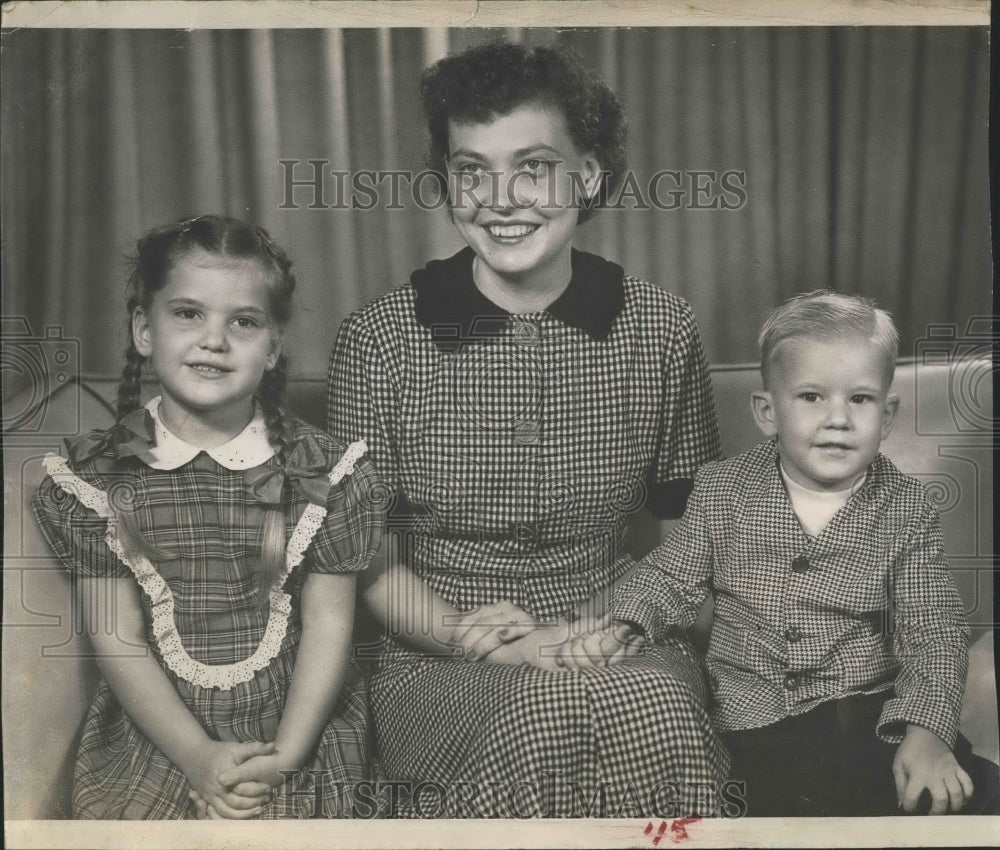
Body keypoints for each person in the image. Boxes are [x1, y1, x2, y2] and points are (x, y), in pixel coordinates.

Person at [327, 42, 728, 818]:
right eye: (471, 169)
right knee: (544, 712)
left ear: (588, 174)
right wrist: (489, 641)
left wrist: (608, 626)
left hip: (618, 628)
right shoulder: (377, 339)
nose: (500, 198)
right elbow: (366, 562)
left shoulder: (661, 328)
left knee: (642, 709)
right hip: (440, 650)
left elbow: (693, 537)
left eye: (534, 166)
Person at [569, 290, 1000, 816]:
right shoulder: (722, 489)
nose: (838, 419)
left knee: (964, 797)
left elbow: (932, 628)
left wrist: (927, 729)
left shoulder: (907, 508)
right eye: (812, 397)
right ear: (768, 412)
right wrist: (630, 623)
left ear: (886, 417)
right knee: (749, 815)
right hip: (754, 724)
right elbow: (669, 577)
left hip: (870, 715)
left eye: (860, 399)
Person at [32, 214, 384, 819]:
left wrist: (285, 757)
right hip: (160, 732)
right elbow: (119, 639)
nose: (213, 340)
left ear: (273, 347)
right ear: (145, 329)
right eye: (187, 313)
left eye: (243, 322)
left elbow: (329, 630)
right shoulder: (92, 480)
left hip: (295, 725)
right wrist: (197, 756)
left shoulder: (323, 474)